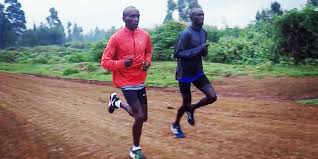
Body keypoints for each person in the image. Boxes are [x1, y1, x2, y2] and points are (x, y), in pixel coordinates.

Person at [101, 6, 152, 159]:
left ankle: (116, 103)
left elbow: (148, 52)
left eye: (138, 16)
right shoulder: (116, 38)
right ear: (124, 18)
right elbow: (105, 62)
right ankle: (135, 149)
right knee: (139, 116)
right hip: (125, 81)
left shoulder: (145, 35)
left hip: (140, 79)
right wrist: (122, 63)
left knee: (144, 117)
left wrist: (147, 62)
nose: (136, 19)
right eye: (132, 16)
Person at [171, 7, 217, 138]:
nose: (202, 17)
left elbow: (202, 53)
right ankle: (176, 124)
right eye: (198, 15)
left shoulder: (204, 33)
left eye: (203, 15)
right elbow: (177, 53)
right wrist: (198, 49)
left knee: (212, 96)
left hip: (197, 71)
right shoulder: (186, 33)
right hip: (184, 73)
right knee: (185, 102)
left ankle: (192, 108)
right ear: (191, 18)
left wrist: (204, 51)